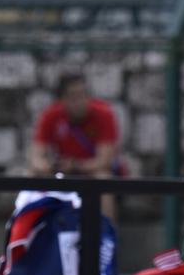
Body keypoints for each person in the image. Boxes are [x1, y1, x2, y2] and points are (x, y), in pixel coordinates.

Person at [30, 72, 123, 219]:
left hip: (91, 174)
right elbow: (36, 158)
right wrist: (51, 167)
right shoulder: (51, 115)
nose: (80, 101)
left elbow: (103, 161)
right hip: (62, 174)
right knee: (30, 176)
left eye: (83, 95)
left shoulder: (104, 114)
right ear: (62, 100)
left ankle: (106, 236)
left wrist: (75, 165)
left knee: (102, 179)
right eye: (73, 96)